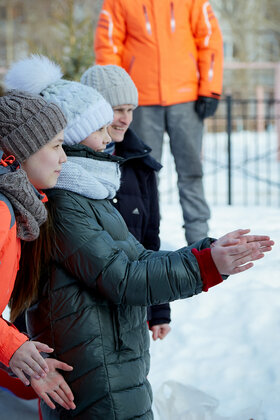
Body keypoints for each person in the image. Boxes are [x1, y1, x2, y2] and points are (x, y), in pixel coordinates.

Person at [5, 55, 274, 419]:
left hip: (110, 361)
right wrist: (207, 265)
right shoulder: (65, 203)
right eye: (56, 146)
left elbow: (140, 252)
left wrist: (205, 255)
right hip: (94, 369)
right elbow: (124, 277)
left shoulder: (88, 192)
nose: (114, 131)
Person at [94, 0, 223, 245]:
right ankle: (143, 243)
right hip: (139, 99)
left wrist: (210, 88)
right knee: (142, 173)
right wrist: (114, 94)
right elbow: (108, 44)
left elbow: (209, 39)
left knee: (192, 172)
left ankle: (200, 245)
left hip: (187, 99)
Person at [81, 64, 171, 341]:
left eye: (131, 109)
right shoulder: (64, 165)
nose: (126, 119)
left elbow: (149, 242)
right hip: (79, 313)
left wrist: (158, 310)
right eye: (117, 109)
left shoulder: (142, 167)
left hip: (130, 309)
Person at [0, 90, 76, 411]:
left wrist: (28, 373)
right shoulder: (2, 211)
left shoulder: (15, 209)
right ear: (20, 151)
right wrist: (12, 348)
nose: (64, 157)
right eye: (56, 145)